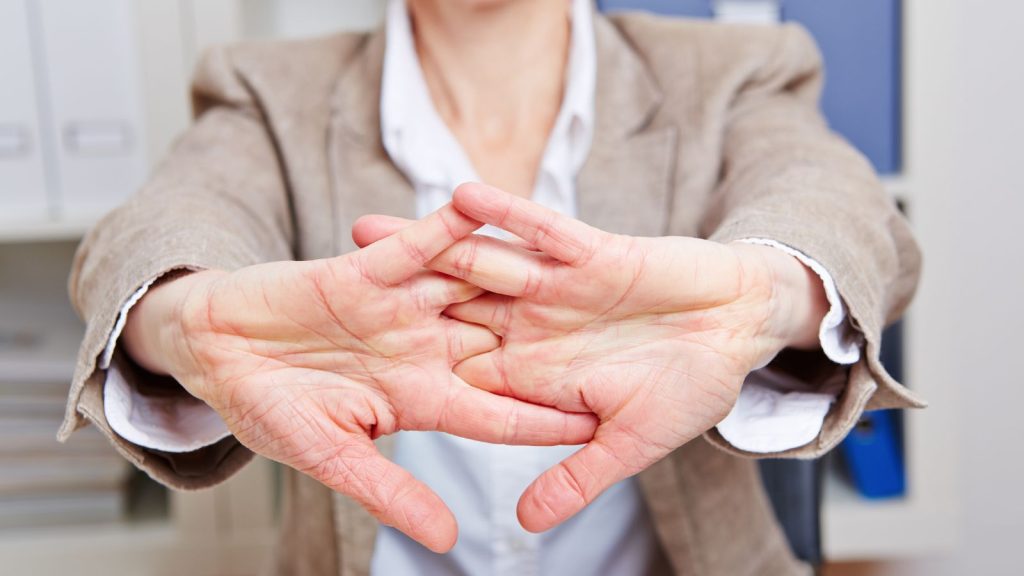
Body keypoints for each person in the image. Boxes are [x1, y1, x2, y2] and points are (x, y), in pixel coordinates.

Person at [61, 0, 923, 574]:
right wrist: (182, 321)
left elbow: (836, 204)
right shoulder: (267, 91)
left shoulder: (733, 67)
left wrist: (766, 291)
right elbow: (163, 223)